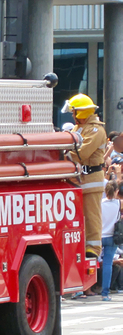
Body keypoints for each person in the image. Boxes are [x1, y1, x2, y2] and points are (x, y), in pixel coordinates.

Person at [62, 93, 108, 258]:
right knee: (78, 218)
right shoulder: (78, 128)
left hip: (91, 179)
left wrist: (65, 154)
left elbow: (83, 152)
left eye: (74, 112)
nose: (72, 116)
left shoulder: (96, 130)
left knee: (91, 216)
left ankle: (93, 250)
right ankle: (81, 246)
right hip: (78, 180)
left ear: (80, 112)